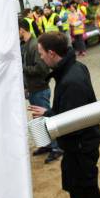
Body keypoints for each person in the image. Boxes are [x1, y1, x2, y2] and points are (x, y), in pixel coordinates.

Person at [29, 32, 100, 198]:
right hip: (75, 148)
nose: (40, 57)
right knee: (77, 194)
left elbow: (75, 122)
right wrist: (48, 113)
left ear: (51, 53)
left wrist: (48, 115)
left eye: (41, 53)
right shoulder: (72, 68)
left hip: (81, 148)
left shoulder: (72, 80)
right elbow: (73, 113)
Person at [19, 19, 62, 163]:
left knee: (47, 118)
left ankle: (57, 147)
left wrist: (21, 69)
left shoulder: (34, 45)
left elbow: (42, 68)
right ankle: (47, 144)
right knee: (38, 119)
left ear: (21, 29)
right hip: (33, 88)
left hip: (40, 88)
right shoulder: (25, 45)